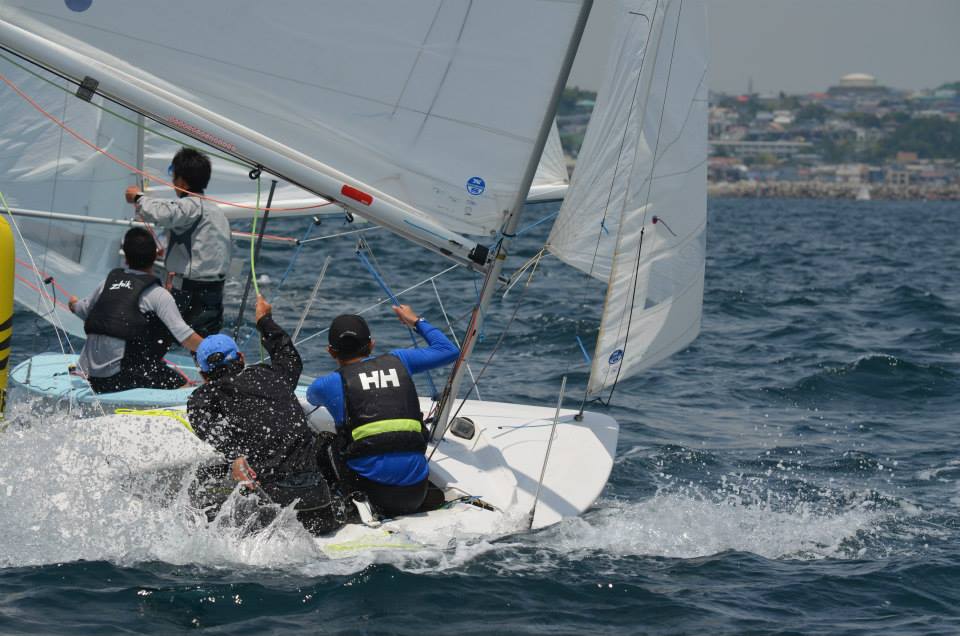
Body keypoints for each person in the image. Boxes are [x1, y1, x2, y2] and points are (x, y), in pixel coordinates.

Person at [187, 294, 346, 535]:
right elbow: (288, 355)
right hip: (319, 507)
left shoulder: (206, 396)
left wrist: (234, 456)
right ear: (241, 358)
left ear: (203, 375)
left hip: (273, 513)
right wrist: (264, 320)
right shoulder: (275, 375)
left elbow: (201, 420)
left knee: (207, 478)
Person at [306, 305, 459, 518]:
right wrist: (415, 321)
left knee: (323, 441)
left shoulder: (326, 384)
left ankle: (341, 506)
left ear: (331, 351)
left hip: (373, 496)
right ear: (371, 345)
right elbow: (449, 351)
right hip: (416, 492)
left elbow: (311, 398)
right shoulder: (400, 360)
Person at [68, 227, 203, 393]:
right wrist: (218, 351)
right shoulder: (158, 294)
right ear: (156, 256)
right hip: (120, 378)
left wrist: (73, 303)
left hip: (90, 376)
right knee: (184, 386)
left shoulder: (107, 284)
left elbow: (81, 309)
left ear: (125, 258)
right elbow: (186, 338)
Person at [125, 147, 231, 337]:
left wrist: (138, 198)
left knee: (155, 337)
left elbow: (164, 213)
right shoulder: (217, 211)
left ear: (182, 181)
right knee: (204, 343)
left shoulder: (190, 206)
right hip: (215, 292)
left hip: (191, 293)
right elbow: (199, 243)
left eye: (173, 176)